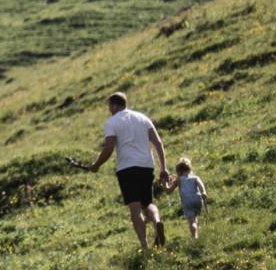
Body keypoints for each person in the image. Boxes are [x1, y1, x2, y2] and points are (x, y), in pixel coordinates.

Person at [83, 91, 169, 250]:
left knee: (135, 208)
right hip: (146, 165)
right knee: (147, 203)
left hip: (127, 168)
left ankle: (145, 246)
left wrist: (96, 165)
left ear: (115, 105)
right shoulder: (143, 118)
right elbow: (158, 142)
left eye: (109, 106)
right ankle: (157, 221)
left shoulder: (112, 122)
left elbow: (109, 148)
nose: (109, 109)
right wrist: (163, 167)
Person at [171, 157, 208, 240]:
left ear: (178, 171)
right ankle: (196, 234)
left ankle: (194, 236)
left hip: (187, 202)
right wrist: (203, 192)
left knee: (191, 221)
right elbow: (201, 185)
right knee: (195, 217)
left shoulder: (178, 180)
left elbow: (169, 191)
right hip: (198, 200)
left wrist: (164, 184)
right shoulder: (195, 177)